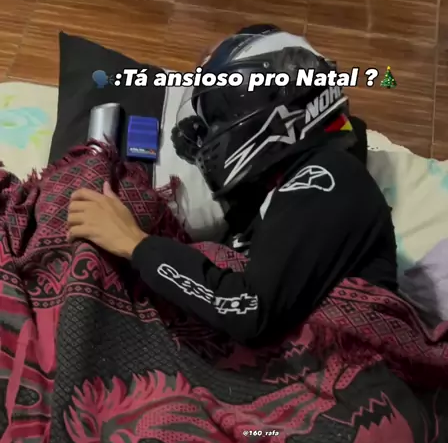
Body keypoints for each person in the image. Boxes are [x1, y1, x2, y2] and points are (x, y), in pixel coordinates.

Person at [67, 26, 397, 346]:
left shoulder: (329, 174)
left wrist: (135, 244)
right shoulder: (273, 200)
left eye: (222, 112)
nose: (212, 133)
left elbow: (248, 310)